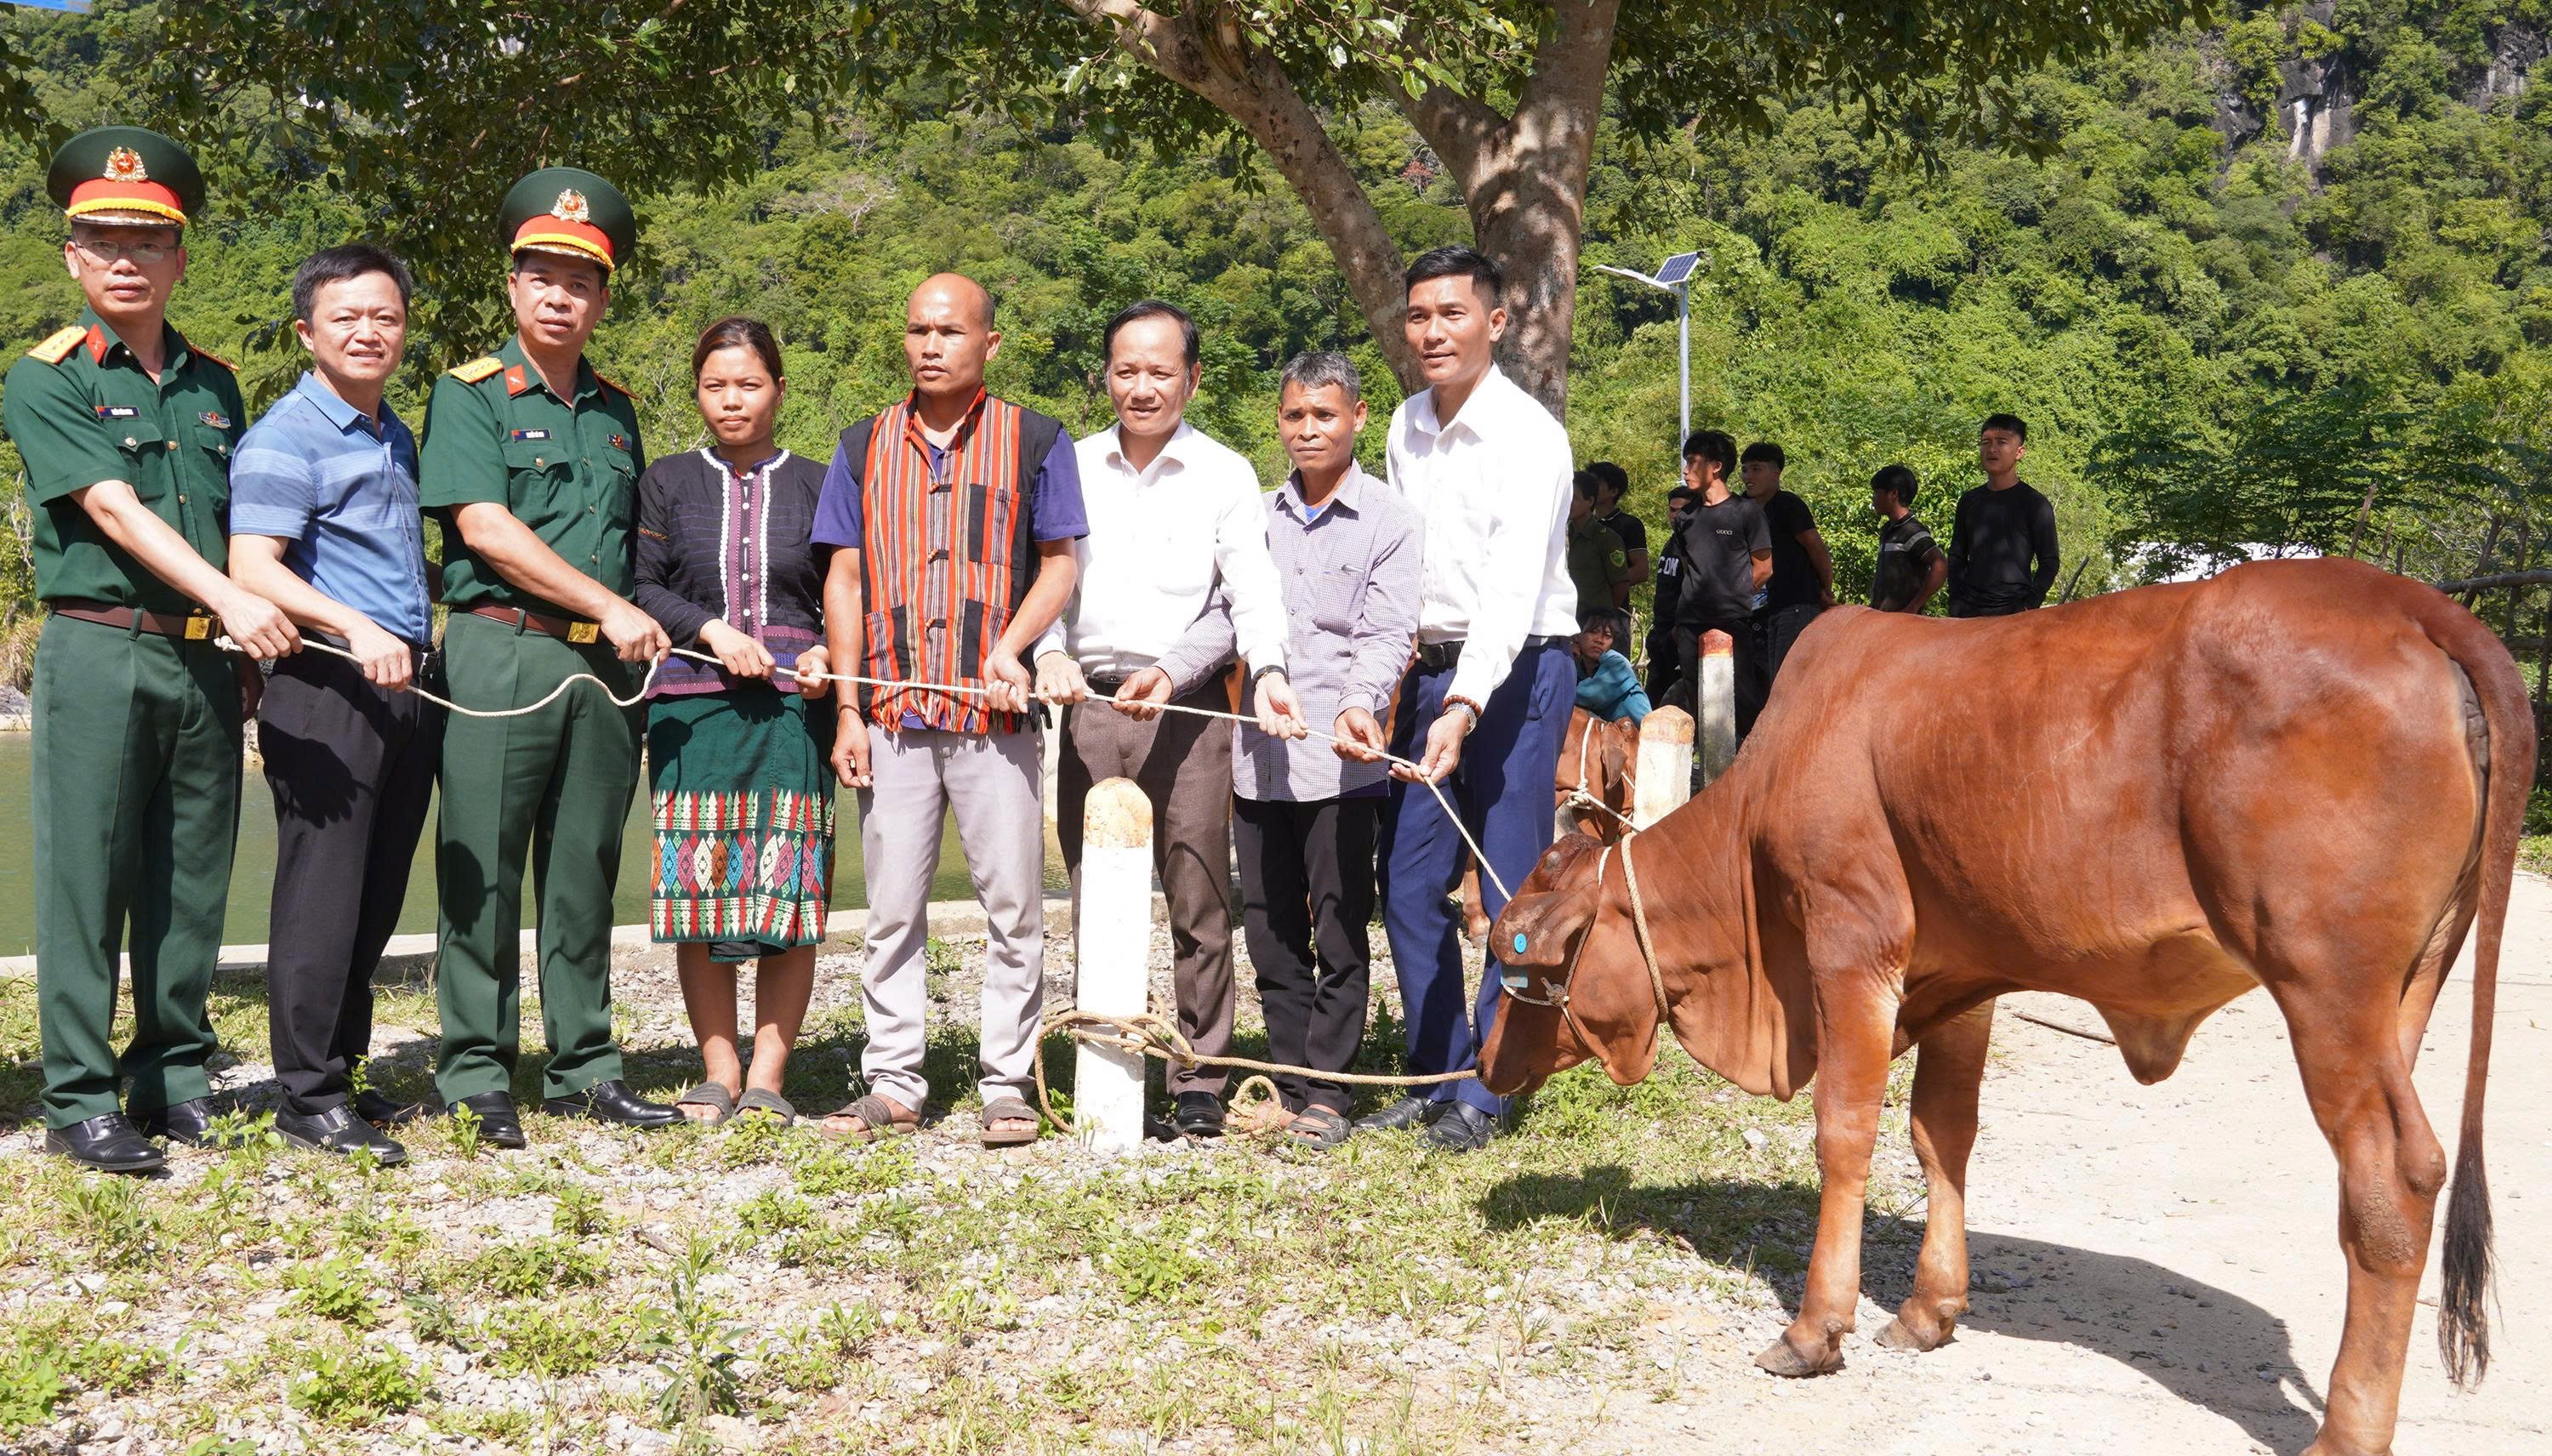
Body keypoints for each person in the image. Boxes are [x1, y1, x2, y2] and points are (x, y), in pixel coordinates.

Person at [5, 127, 296, 1173]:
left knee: (190, 878)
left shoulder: (217, 386)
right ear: (73, 258)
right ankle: (78, 1095)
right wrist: (228, 594)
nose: (125, 257)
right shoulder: (46, 378)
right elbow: (113, 507)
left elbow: (242, 524)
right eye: (102, 239)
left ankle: (171, 1075)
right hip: (100, 646)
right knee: (87, 875)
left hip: (207, 661)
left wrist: (249, 629)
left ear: (180, 257)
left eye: (148, 239)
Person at [420, 168, 677, 1148]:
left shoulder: (615, 407)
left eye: (581, 278)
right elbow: (484, 526)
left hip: (605, 674)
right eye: (542, 274)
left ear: (603, 297)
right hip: (504, 651)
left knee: (583, 871)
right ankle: (478, 1070)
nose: (559, 293)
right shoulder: (471, 393)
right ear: (513, 286)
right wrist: (610, 605)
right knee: (480, 864)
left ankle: (585, 1066)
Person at [812, 274, 1085, 1148]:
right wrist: (849, 712)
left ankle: (1008, 1080)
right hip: (891, 713)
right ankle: (893, 1078)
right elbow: (845, 580)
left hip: (994, 716)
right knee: (892, 904)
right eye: (918, 331)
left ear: (989, 345)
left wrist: (1012, 646)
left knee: (1014, 906)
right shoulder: (862, 445)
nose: (932, 346)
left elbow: (1060, 565)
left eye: (951, 332)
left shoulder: (1037, 438)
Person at [1031, 299, 1302, 1137]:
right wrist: (1046, 652)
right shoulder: (1067, 464)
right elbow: (1043, 578)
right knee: (1095, 893)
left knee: (1199, 896)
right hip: (1086, 704)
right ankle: (1108, 1059)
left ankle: (1199, 1078)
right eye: (1125, 369)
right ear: (1103, 375)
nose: (1141, 387)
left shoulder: (1223, 474)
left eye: (1159, 370)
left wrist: (1265, 672)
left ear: (1192, 376)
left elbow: (1244, 593)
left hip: (1187, 705)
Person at [1345, 246, 1578, 1154]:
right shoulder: (1404, 426)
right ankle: (1435, 1066)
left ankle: (1494, 1081)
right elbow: (1400, 564)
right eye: (1418, 316)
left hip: (1519, 670)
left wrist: (1465, 704)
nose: (1433, 331)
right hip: (1432, 669)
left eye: (1452, 313)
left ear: (1497, 322)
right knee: (1406, 874)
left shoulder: (1530, 438)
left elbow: (1513, 590)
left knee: (1509, 877)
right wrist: (1391, 681)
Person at [226, 242, 439, 1163]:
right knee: (322, 890)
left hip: (403, 681)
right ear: (308, 330)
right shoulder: (286, 434)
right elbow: (252, 568)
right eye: (347, 316)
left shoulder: (392, 429)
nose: (368, 331)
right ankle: (304, 1093)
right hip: (326, 684)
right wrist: (357, 627)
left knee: (377, 885)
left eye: (385, 316)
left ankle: (341, 1068)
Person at [1182, 351, 1420, 1149]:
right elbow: (1225, 617)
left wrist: (1358, 707)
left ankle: (1331, 1089)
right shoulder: (1254, 515)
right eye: (1295, 416)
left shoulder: (1391, 519)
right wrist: (1165, 670)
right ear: (1278, 421)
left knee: (1342, 923)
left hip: (1342, 758)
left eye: (1324, 415)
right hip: (1258, 755)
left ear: (1358, 417)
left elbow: (1388, 634)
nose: (1309, 430)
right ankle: (1288, 1081)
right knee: (1270, 925)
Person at [630, 317, 840, 1128]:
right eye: (715, 386)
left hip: (793, 711)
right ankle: (717, 1069)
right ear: (697, 394)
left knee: (789, 889)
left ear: (780, 391)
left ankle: (770, 1077)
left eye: (749, 384)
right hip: (691, 706)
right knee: (700, 889)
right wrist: (711, 632)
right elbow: (641, 585)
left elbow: (844, 593)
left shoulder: (822, 483)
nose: (732, 400)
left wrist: (823, 651)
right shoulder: (667, 482)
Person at [1671, 429, 1772, 733]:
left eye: (1693, 462)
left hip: (1732, 622)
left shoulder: (1747, 512)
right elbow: (1690, 568)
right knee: (1697, 697)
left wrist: (1734, 598)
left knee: (1741, 697)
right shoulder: (1685, 517)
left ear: (1715, 467)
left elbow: (1764, 568)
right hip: (1689, 623)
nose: (1686, 470)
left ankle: (1751, 765)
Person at [1739, 441, 1835, 683]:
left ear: (1776, 473)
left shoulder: (1788, 505)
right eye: (1744, 470)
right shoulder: (1743, 506)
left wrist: (1825, 589)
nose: (1748, 476)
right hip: (1763, 611)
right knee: (1771, 678)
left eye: (1756, 469)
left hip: (1796, 605)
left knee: (1788, 680)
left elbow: (1817, 548)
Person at [1945, 412, 2059, 617]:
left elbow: (2049, 561)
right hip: (1968, 612)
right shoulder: (1969, 501)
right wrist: (1956, 599)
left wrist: (2029, 605)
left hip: (2014, 611)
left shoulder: (2035, 503)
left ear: (2019, 452)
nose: (1992, 449)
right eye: (1986, 442)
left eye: (2002, 442)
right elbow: (1957, 555)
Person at [1643, 483, 1697, 704]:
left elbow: (1695, 587)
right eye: (1671, 510)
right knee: (1654, 696)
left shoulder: (1695, 544)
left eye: (1680, 510)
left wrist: (1680, 625)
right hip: (1661, 631)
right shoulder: (1671, 542)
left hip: (1680, 632)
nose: (1674, 515)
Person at [1869, 464, 1948, 614]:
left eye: (1876, 492)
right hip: (1883, 622)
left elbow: (1940, 564)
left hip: (1904, 626)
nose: (1873, 499)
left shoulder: (1912, 530)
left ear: (1893, 494)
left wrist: (1914, 606)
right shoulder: (1888, 529)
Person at [1564, 470, 1634, 620]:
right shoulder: (1560, 535)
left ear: (1589, 501)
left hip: (1593, 623)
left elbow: (1620, 585)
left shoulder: (1606, 538)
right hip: (1565, 620)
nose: (1567, 503)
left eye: (1573, 498)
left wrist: (1603, 617)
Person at [1572, 611, 1650, 724]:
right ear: (1576, 636)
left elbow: (1588, 696)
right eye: (1593, 632)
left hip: (1639, 735)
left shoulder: (1617, 663)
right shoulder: (1579, 669)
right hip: (1610, 734)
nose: (1599, 640)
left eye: (1607, 636)